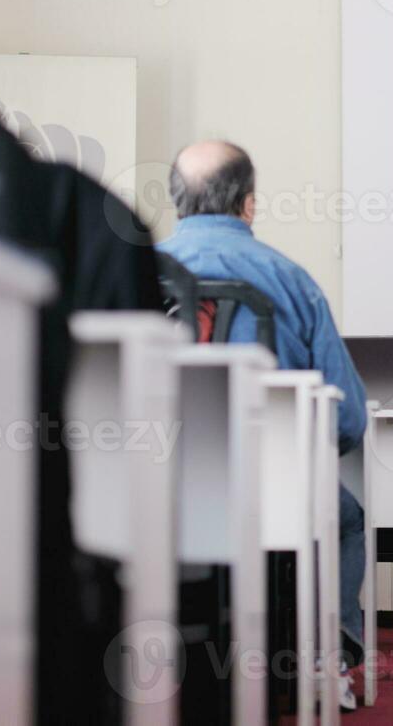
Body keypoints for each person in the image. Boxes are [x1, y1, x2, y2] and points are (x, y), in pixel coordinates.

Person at [158, 140, 368, 710]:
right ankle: (329, 662)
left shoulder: (129, 274)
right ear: (248, 204)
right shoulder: (291, 280)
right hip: (274, 488)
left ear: (176, 202)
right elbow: (348, 419)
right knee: (346, 518)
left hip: (156, 488)